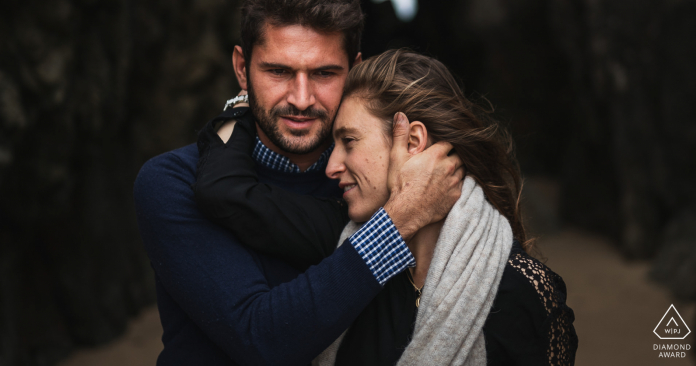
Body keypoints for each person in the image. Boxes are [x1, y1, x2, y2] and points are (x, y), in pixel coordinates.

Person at [133, 0, 465, 365]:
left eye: (324, 73)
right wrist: (397, 222)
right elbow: (262, 338)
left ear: (354, 70)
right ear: (242, 69)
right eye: (279, 71)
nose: (302, 98)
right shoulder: (172, 182)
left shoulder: (381, 178)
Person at [195, 49, 578, 365]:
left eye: (349, 141)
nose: (331, 167)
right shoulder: (352, 262)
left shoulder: (523, 292)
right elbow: (227, 194)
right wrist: (246, 101)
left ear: (411, 141)